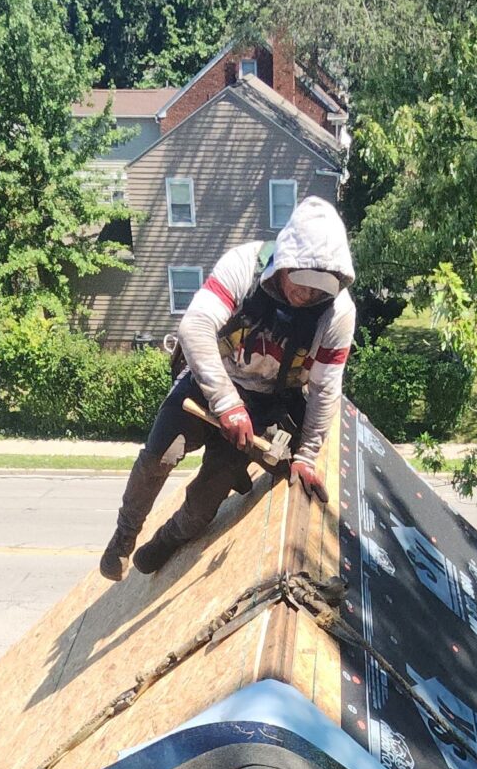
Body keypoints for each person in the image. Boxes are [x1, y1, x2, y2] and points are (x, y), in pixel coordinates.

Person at [99, 194, 356, 580]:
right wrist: (225, 402)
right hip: (210, 382)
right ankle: (124, 536)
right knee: (157, 459)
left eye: (320, 288)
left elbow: (324, 389)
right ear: (282, 263)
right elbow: (195, 326)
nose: (308, 295)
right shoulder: (245, 266)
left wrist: (307, 454)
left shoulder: (337, 313)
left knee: (205, 503)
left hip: (265, 406)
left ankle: (169, 538)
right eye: (301, 282)